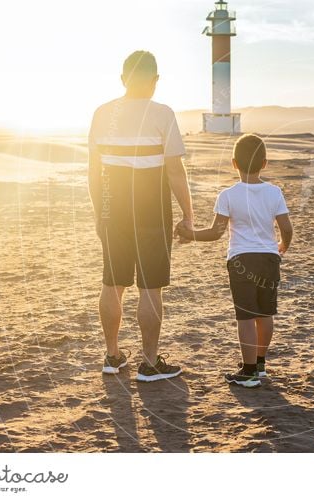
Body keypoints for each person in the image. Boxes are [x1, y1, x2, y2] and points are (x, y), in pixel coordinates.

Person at [88, 50, 194, 382]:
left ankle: (112, 355)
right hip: (151, 207)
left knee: (112, 281)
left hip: (112, 206)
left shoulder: (103, 113)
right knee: (150, 287)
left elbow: (93, 170)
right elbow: (175, 170)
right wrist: (188, 216)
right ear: (155, 81)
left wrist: (98, 213)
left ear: (123, 80)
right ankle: (149, 362)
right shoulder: (162, 113)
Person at [177, 134, 293, 387]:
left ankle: (249, 371)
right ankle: (260, 363)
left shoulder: (228, 195)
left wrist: (190, 234)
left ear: (233, 163)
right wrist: (283, 245)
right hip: (269, 258)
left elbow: (216, 233)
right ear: (264, 163)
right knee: (265, 313)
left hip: (241, 259)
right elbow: (286, 227)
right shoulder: (274, 192)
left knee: (245, 316)